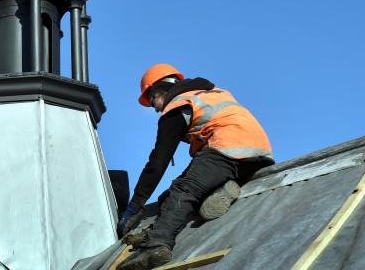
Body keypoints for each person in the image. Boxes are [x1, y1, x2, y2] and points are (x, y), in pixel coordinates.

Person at [118, 64, 275, 270]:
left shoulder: (178, 105)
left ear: (161, 90)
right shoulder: (210, 92)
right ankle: (223, 189)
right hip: (257, 154)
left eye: (153, 100)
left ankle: (156, 246)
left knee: (183, 190)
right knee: (171, 194)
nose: (156, 109)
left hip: (227, 148)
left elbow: (158, 161)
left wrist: (135, 205)